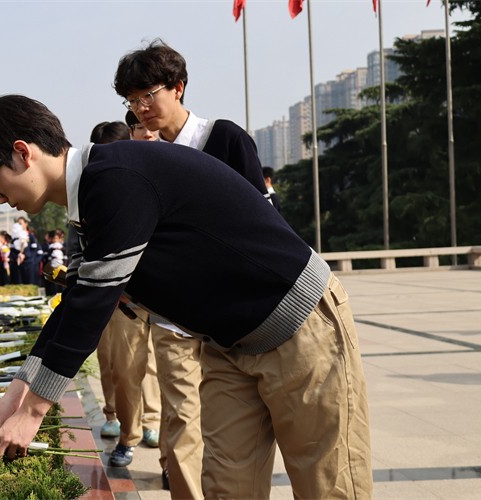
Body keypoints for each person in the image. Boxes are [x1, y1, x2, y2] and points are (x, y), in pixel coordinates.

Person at [0, 95, 372, 499]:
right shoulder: (91, 200)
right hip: (229, 348)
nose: (1, 199)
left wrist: (33, 413)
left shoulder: (116, 178)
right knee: (228, 489)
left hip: (298, 328)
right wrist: (13, 398)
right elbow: (76, 301)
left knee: (326, 486)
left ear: (22, 153)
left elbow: (93, 305)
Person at [115, 39, 280, 497]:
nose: (141, 108)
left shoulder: (223, 139)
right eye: (132, 101)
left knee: (260, 441)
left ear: (178, 87)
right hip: (178, 320)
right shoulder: (144, 160)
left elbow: (265, 227)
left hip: (242, 319)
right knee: (184, 420)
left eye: (149, 95)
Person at [88, 121, 162, 467]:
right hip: (122, 298)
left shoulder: (159, 173)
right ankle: (126, 431)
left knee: (159, 371)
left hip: (164, 297)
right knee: (123, 368)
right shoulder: (95, 194)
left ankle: (155, 427)